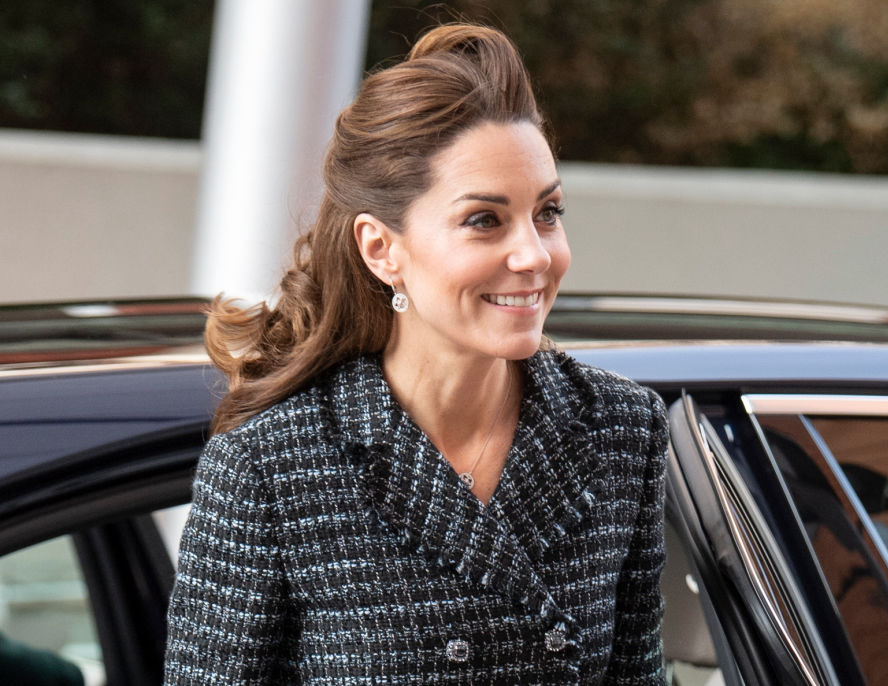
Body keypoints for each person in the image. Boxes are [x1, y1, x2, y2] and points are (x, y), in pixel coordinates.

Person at [163, 23, 667, 685]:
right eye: (485, 219)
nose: (536, 255)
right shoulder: (273, 465)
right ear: (382, 250)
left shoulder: (622, 429)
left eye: (547, 212)